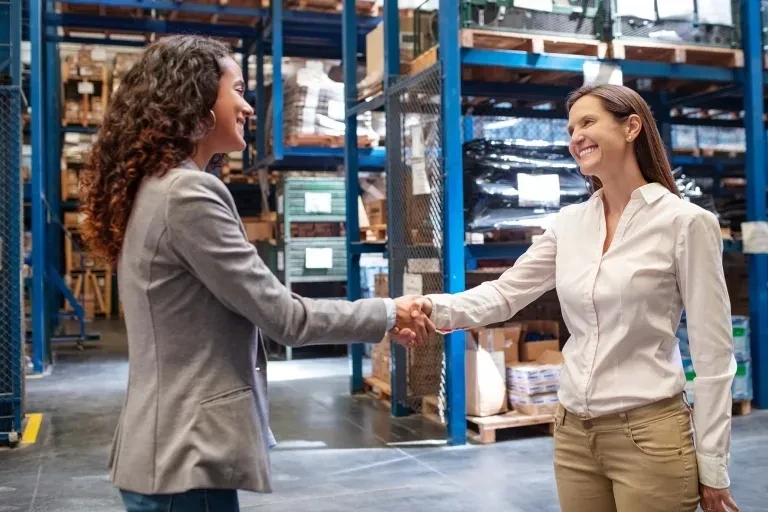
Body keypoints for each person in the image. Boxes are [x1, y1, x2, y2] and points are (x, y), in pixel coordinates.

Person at [78, 35, 433, 512]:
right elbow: (285, 317)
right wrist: (389, 311)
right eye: (238, 90)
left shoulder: (156, 187)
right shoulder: (188, 195)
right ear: (197, 100)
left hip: (164, 451)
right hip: (187, 456)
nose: (247, 106)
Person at [395, 84, 739, 512]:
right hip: (573, 434)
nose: (575, 136)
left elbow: (713, 356)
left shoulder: (686, 223)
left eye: (588, 122)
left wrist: (712, 465)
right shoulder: (571, 223)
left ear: (631, 127)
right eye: (571, 128)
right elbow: (505, 294)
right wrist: (432, 307)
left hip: (650, 435)